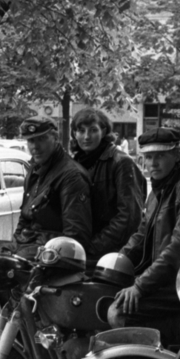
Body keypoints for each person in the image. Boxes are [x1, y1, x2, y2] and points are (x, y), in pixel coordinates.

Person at [110, 127, 180, 343]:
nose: (153, 163)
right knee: (101, 294)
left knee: (119, 312)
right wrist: (111, 267)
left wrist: (141, 285)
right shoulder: (159, 190)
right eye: (148, 157)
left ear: (176, 154)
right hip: (167, 278)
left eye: (160, 156)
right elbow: (140, 236)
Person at [69, 108, 144, 265]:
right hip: (82, 251)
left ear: (103, 131)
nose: (86, 136)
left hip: (109, 255)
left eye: (93, 130)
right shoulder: (74, 164)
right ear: (74, 134)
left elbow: (129, 217)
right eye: (81, 131)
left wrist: (94, 247)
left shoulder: (121, 162)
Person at [14, 115, 92, 249]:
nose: (35, 146)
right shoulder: (35, 170)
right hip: (29, 246)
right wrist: (15, 243)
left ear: (56, 138)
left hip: (50, 254)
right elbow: (25, 217)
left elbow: (75, 235)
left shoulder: (71, 176)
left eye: (42, 139)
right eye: (31, 141)